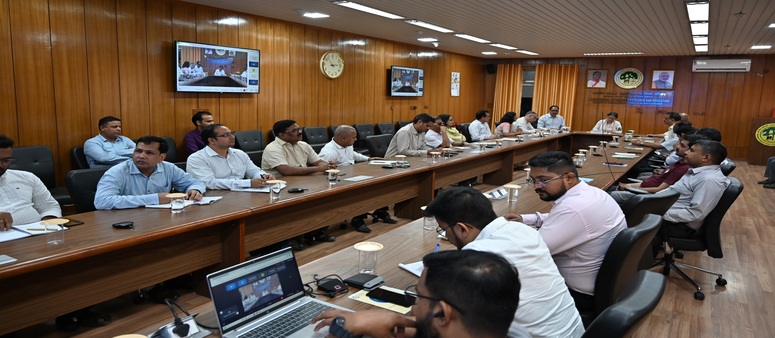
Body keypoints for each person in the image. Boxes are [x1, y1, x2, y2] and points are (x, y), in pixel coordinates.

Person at [423, 187, 585, 338]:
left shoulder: (479, 259)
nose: (446, 236)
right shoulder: (524, 230)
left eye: (444, 230)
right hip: (574, 331)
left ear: (462, 229)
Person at [504, 151, 626, 311]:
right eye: (533, 181)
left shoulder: (574, 208)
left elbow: (531, 252)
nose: (536, 187)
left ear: (569, 178)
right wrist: (526, 219)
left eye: (543, 181)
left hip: (577, 294)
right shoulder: (592, 193)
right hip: (604, 283)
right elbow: (564, 217)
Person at [312, 250, 527, 338]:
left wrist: (346, 327)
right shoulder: (515, 331)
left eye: (420, 296)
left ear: (442, 314)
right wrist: (411, 326)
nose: (414, 306)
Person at [262, 120, 337, 249]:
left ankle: (317, 232)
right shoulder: (273, 148)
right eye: (294, 131)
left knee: (326, 196)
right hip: (281, 188)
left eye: (299, 129)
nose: (300, 132)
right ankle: (292, 237)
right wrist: (318, 169)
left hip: (303, 182)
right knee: (298, 207)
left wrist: (327, 166)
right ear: (282, 135)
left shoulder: (303, 145)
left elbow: (318, 162)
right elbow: (286, 171)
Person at [94, 136, 205, 210]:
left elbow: (195, 182)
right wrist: (155, 199)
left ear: (161, 157)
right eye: (138, 151)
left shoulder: (168, 168)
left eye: (149, 153)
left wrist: (195, 189)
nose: (141, 156)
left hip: (160, 219)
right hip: (126, 222)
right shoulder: (117, 172)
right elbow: (102, 201)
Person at [318, 125, 394, 233]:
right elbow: (323, 172)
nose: (356, 139)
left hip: (352, 175)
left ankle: (381, 211)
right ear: (343, 138)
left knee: (379, 184)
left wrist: (368, 158)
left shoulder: (346, 144)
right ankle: (358, 219)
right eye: (353, 137)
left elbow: (353, 155)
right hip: (340, 181)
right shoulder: (329, 152)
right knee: (362, 191)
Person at [657, 139, 730, 239]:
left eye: (691, 150)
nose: (686, 152)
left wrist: (655, 213)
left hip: (672, 225)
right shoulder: (696, 172)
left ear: (706, 157)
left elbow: (694, 214)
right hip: (663, 213)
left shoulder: (709, 180)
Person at [612, 134, 700, 203]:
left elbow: (660, 189)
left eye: (682, 145)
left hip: (645, 195)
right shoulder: (680, 162)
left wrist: (630, 188)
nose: (676, 146)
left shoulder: (683, 168)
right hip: (642, 187)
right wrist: (630, 186)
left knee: (609, 194)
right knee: (612, 188)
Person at [186, 124, 275, 190]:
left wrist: (263, 176)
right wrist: (247, 183)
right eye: (226, 135)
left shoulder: (239, 153)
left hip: (242, 194)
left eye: (231, 134)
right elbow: (209, 183)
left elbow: (253, 171)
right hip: (215, 197)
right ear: (212, 140)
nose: (232, 137)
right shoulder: (197, 158)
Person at [0, 135, 61, 229]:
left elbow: (50, 207)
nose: (2, 165)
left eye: (6, 160)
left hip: (38, 233)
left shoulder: (27, 177)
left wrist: (48, 225)